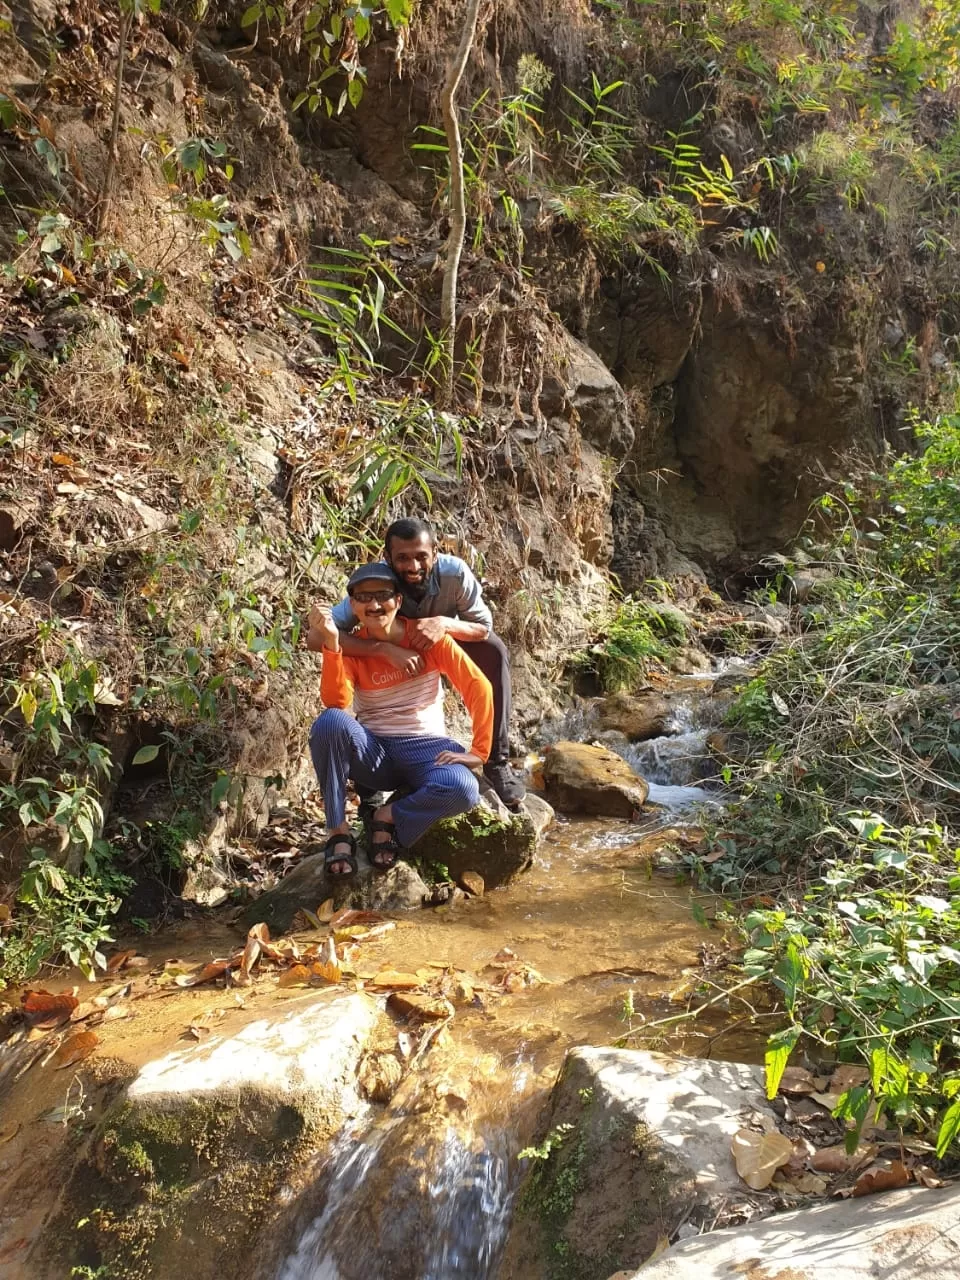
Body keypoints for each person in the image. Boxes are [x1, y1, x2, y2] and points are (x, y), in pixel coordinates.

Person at [305, 562, 494, 877]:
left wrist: (479, 751)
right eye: (364, 597)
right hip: (377, 754)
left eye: (383, 595)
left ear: (398, 599)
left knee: (463, 788)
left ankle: (388, 816)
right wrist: (333, 643)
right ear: (352, 604)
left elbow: (478, 686)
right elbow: (336, 702)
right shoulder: (353, 647)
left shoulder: (426, 638)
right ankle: (338, 831)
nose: (375, 605)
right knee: (329, 722)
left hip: (427, 749)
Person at [330, 517, 526, 808]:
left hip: (445, 637)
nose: (412, 567)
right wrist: (382, 649)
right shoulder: (376, 584)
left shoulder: (455, 573)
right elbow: (323, 637)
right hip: (392, 646)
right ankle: (369, 779)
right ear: (388, 558)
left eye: (421, 556)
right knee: (357, 677)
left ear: (435, 551)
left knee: (494, 651)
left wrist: (443, 624)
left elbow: (483, 627)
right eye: (402, 559)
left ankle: (495, 761)